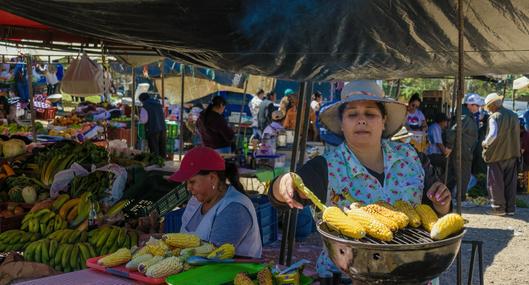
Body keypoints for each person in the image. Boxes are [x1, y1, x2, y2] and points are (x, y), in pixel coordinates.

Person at [268, 81, 451, 281]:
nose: (361, 120)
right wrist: (283, 183)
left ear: (384, 120)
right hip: (347, 275)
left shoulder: (412, 158)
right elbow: (280, 196)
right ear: (342, 124)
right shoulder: (325, 167)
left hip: (413, 273)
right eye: (352, 114)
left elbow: (436, 211)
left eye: (370, 114)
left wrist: (442, 205)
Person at [168, 146, 262, 258]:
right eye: (187, 183)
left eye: (192, 182)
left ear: (212, 178)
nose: (188, 188)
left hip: (231, 273)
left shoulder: (235, 209)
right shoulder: (196, 201)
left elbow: (214, 257)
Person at [482, 93, 520, 216]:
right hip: (512, 153)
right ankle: (510, 209)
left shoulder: (495, 117)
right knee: (510, 182)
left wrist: (485, 143)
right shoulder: (514, 115)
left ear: (492, 105)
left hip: (497, 155)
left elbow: (493, 134)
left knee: (496, 182)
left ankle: (499, 209)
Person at [446, 93, 484, 202]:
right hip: (462, 151)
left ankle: (459, 197)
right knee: (463, 176)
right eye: (477, 105)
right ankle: (460, 198)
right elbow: (454, 131)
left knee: (461, 175)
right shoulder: (465, 117)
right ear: (470, 105)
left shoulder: (468, 116)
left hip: (464, 150)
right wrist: (449, 146)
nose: (478, 108)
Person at [139, 92, 167, 158]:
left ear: (142, 100)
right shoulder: (158, 103)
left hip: (152, 128)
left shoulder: (145, 105)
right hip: (162, 128)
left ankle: (156, 162)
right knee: (162, 146)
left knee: (154, 148)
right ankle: (163, 162)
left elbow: (144, 120)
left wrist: (139, 118)